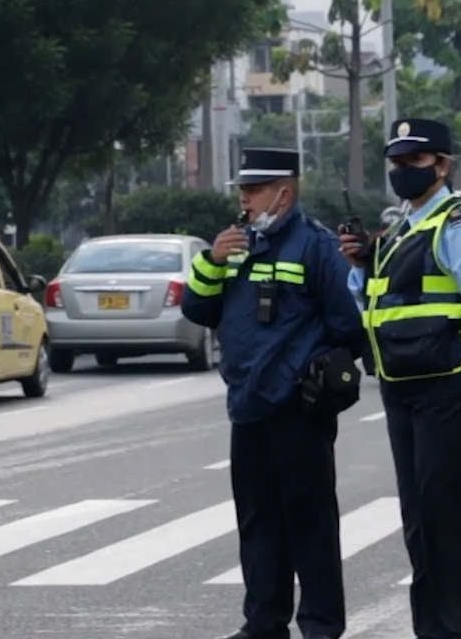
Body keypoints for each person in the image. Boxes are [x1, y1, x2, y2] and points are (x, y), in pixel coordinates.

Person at [337, 118, 461, 639]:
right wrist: (362, 263)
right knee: (419, 520)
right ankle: (432, 630)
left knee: (447, 514)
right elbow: (370, 297)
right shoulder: (398, 229)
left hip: (453, 381)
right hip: (402, 384)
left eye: (414, 162)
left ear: (443, 166)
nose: (402, 172)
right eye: (396, 163)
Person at [182, 147, 365, 639]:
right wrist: (212, 261)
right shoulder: (234, 245)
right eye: (242, 190)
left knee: (311, 527)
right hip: (247, 406)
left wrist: (314, 374)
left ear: (284, 192)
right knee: (258, 525)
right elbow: (198, 309)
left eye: (254, 189)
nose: (245, 198)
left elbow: (349, 326)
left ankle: (322, 627)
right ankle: (263, 624)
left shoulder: (316, 246)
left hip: (298, 410)